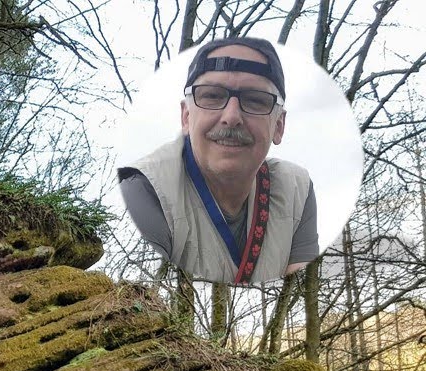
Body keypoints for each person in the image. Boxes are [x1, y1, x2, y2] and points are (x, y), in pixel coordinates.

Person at [118, 37, 319, 284]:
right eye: (212, 96)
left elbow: (300, 290)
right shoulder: (145, 190)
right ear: (186, 117)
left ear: (279, 125)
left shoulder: (297, 191)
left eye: (255, 100)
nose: (232, 116)